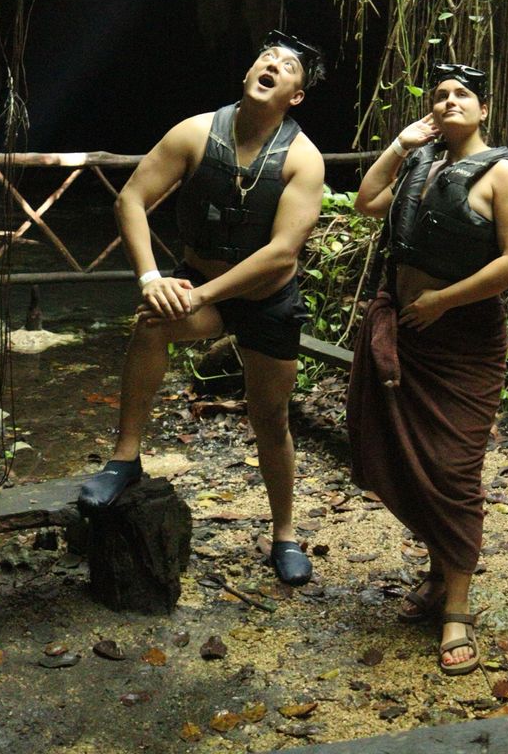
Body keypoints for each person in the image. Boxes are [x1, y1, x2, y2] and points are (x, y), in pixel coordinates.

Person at [77, 31, 326, 586]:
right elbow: (131, 199)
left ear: (295, 96)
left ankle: (284, 533)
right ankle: (125, 457)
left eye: (287, 67)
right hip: (200, 280)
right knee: (152, 323)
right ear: (248, 75)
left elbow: (282, 251)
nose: (272, 65)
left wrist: (202, 296)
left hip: (265, 301)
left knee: (270, 418)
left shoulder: (303, 160)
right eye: (265, 58)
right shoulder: (194, 132)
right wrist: (151, 278)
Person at [347, 63, 508, 675]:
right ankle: (437, 572)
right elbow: (367, 202)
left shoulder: (502, 173)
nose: (450, 101)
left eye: (462, 95)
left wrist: (443, 301)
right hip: (405, 331)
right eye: (440, 95)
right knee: (402, 461)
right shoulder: (420, 164)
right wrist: (400, 146)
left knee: (452, 471)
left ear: (483, 110)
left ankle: (457, 606)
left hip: (461, 342)